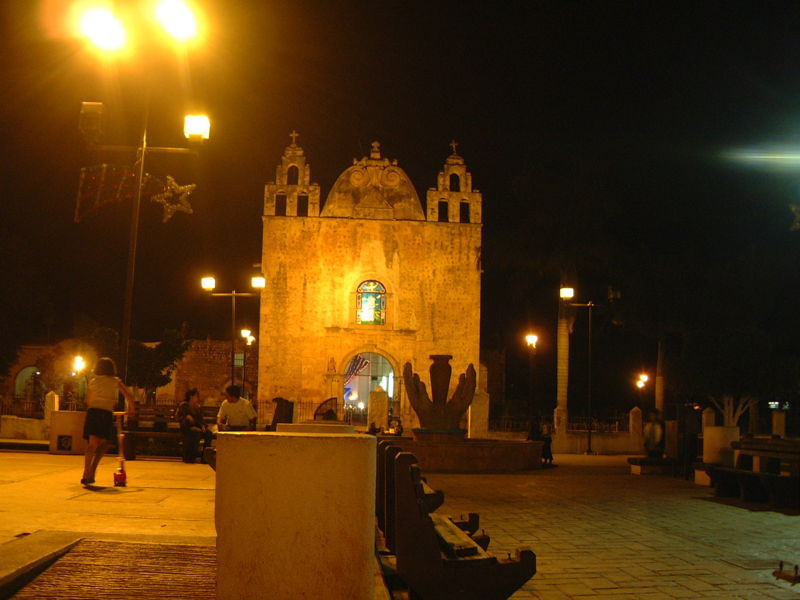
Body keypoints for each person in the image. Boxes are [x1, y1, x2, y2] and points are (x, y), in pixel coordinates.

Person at [81, 357, 134, 486]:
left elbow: (88, 399)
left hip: (93, 412)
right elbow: (128, 395)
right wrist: (131, 409)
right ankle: (92, 471)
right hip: (105, 413)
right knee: (103, 444)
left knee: (92, 445)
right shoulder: (115, 381)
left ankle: (86, 473)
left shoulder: (93, 381)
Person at [176, 388, 213, 463]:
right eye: (196, 396)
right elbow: (183, 417)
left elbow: (200, 419)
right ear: (191, 396)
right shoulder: (184, 405)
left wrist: (203, 426)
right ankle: (190, 457)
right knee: (196, 433)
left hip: (197, 426)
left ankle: (205, 458)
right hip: (187, 427)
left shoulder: (197, 406)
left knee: (209, 434)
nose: (197, 398)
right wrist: (188, 418)